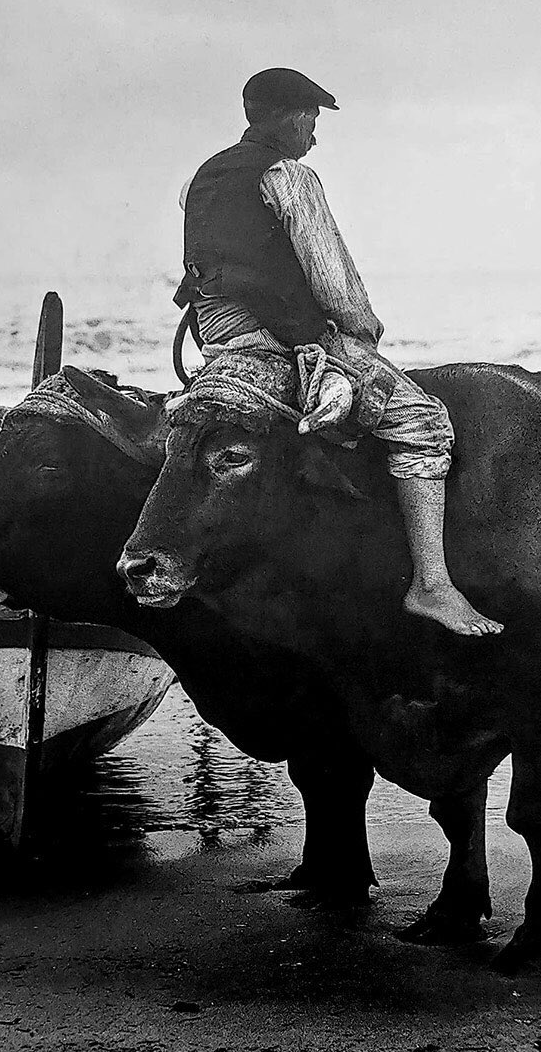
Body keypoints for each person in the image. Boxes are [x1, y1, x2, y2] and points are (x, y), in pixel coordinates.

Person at [174, 67, 503, 637]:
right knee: (423, 422)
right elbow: (336, 285)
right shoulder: (290, 176)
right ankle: (432, 586)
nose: (315, 133)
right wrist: (364, 336)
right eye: (313, 119)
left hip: (218, 337)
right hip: (283, 338)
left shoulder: (202, 177)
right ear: (290, 117)